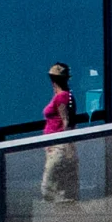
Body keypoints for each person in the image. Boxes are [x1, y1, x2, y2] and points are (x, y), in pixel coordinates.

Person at [38, 62, 79, 200]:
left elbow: (66, 121)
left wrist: (66, 145)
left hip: (59, 147)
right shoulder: (63, 96)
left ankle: (59, 216)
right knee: (58, 186)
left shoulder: (62, 96)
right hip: (54, 146)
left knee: (49, 186)